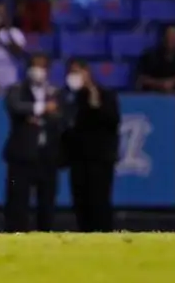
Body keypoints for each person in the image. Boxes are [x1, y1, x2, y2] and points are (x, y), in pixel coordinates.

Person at [3, 54, 65, 233]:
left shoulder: (54, 92)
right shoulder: (17, 90)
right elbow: (15, 106)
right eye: (35, 66)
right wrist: (42, 109)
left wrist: (41, 116)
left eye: (42, 66)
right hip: (21, 156)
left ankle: (45, 237)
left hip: (47, 155)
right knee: (17, 202)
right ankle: (14, 236)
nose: (38, 71)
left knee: (47, 202)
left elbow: (62, 115)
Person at [63, 60, 120, 233]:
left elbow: (113, 121)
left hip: (100, 158)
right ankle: (84, 234)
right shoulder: (70, 98)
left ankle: (103, 234)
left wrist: (95, 101)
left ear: (87, 72)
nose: (74, 76)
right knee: (80, 200)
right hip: (78, 157)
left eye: (78, 71)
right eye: (71, 72)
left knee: (100, 199)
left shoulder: (105, 94)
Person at [137, 25, 175, 93]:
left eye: (174, 37)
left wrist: (174, 82)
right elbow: (141, 79)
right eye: (169, 37)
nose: (171, 40)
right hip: (155, 94)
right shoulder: (150, 56)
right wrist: (160, 84)